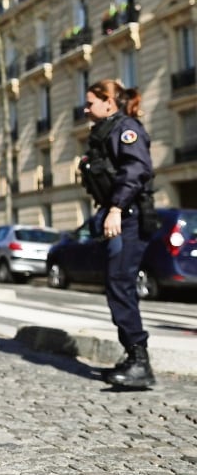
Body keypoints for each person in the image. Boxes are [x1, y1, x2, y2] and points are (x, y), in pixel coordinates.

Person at [79, 79, 157, 389]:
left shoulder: (126, 128)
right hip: (117, 215)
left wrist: (116, 208)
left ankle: (140, 362)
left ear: (109, 102)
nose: (85, 109)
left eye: (91, 103)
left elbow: (136, 170)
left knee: (121, 285)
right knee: (116, 285)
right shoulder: (104, 133)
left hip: (129, 216)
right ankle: (132, 357)